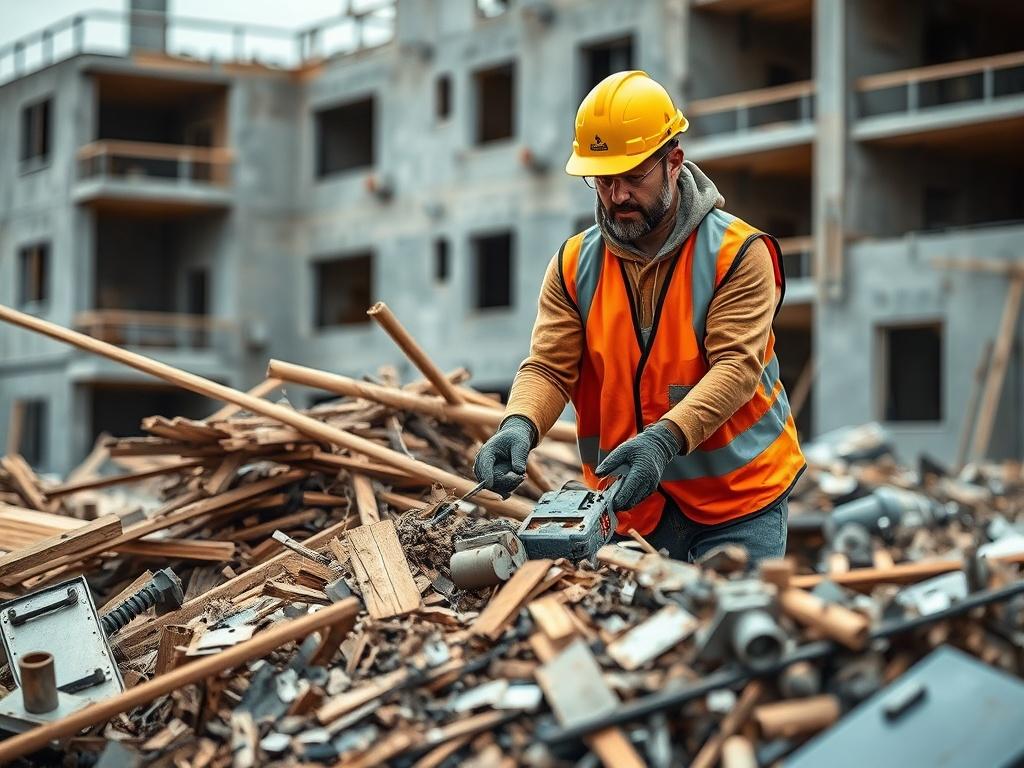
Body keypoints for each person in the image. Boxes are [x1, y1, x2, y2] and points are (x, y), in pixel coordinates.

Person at [473, 71, 805, 564]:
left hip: (740, 499)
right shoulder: (573, 265)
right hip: (632, 508)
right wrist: (519, 424)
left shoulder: (737, 253)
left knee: (725, 633)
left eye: (633, 177)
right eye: (603, 180)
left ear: (674, 163)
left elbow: (736, 369)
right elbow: (548, 367)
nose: (617, 195)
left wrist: (663, 441)